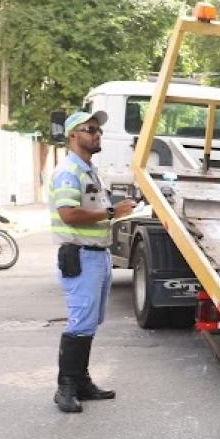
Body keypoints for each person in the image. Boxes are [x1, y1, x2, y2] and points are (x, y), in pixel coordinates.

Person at [49, 110, 136, 414]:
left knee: (91, 321)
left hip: (98, 255)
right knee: (80, 321)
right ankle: (66, 387)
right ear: (73, 135)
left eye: (98, 130)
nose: (96, 134)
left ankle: (81, 381)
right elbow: (68, 213)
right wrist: (113, 213)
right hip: (81, 255)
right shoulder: (68, 172)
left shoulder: (88, 170)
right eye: (90, 129)